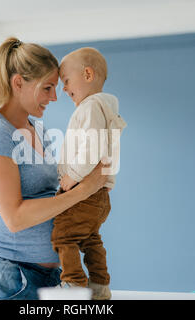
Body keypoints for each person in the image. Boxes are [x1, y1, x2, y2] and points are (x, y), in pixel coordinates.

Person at [0, 37, 110, 300]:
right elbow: (16, 218)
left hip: (47, 276)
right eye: (47, 88)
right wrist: (83, 191)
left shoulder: (38, 130)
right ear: (18, 83)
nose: (55, 97)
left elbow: (51, 194)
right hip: (8, 273)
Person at [52, 47, 127, 300]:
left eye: (66, 82)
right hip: (101, 196)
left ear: (87, 74)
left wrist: (71, 176)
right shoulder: (107, 109)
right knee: (90, 239)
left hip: (84, 192)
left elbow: (91, 148)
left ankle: (73, 284)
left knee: (63, 234)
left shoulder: (91, 106)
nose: (63, 89)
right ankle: (99, 285)